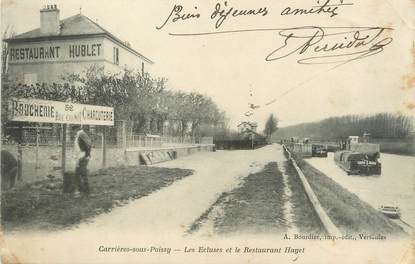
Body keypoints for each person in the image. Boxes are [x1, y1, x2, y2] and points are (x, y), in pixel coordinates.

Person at [72, 125, 92, 196]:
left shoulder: (81, 134)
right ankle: (83, 191)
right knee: (78, 174)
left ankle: (85, 191)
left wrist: (87, 154)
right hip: (80, 156)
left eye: (74, 130)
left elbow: (88, 144)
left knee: (81, 174)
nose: (73, 132)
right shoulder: (79, 135)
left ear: (77, 129)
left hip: (83, 156)